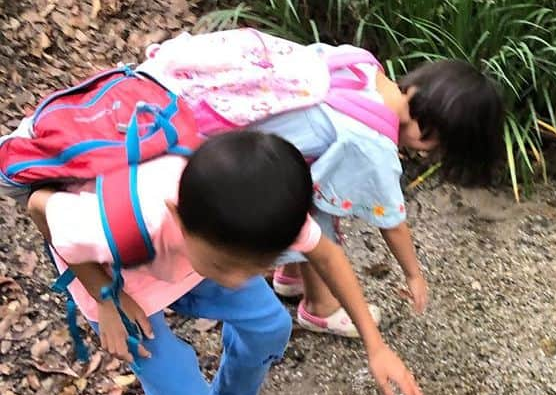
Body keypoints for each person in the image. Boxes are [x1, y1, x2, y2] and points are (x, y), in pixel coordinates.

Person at [27, 131, 424, 395]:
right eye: (233, 265)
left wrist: (375, 345)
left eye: (257, 266)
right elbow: (38, 206)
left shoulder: (263, 214)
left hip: (194, 263)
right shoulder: (121, 220)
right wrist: (106, 298)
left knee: (270, 325)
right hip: (122, 284)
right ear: (178, 216)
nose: (238, 281)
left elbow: (325, 253)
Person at [140, 31, 505, 337]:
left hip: (222, 125)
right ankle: (320, 307)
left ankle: (290, 274)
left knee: (312, 192)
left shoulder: (360, 65)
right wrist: (414, 274)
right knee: (321, 215)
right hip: (225, 164)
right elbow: (391, 220)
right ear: (434, 139)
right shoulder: (371, 141)